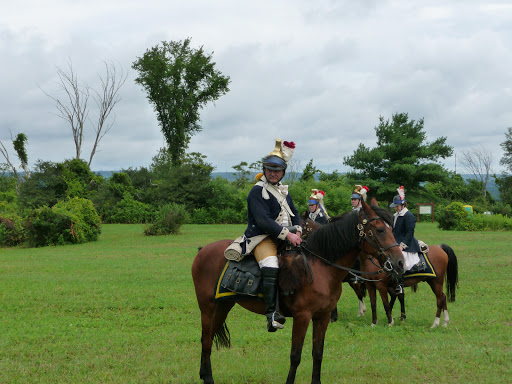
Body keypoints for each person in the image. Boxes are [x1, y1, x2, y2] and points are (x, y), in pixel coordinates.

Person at [239, 138, 302, 332]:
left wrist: (298, 228)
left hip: (285, 237)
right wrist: (288, 235)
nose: (273, 173)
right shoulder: (257, 192)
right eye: (270, 170)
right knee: (271, 265)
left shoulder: (283, 191)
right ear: (264, 170)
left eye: (277, 170)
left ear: (283, 172)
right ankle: (272, 313)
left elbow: (295, 212)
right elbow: (264, 221)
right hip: (262, 238)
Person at [389, 186, 420, 294]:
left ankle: (400, 285)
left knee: (400, 262)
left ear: (403, 205)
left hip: (407, 244)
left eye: (397, 206)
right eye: (395, 206)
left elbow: (409, 233)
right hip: (395, 243)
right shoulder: (395, 215)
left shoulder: (409, 216)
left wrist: (402, 246)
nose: (396, 208)